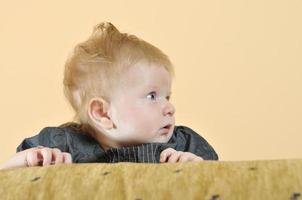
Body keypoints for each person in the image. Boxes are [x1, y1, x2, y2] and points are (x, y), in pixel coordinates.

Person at [0, 22, 218, 170]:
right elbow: (5, 176)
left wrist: (197, 167)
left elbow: (224, 180)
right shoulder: (63, 143)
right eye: (152, 96)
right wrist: (30, 160)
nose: (170, 108)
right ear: (103, 113)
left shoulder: (183, 144)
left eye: (167, 97)